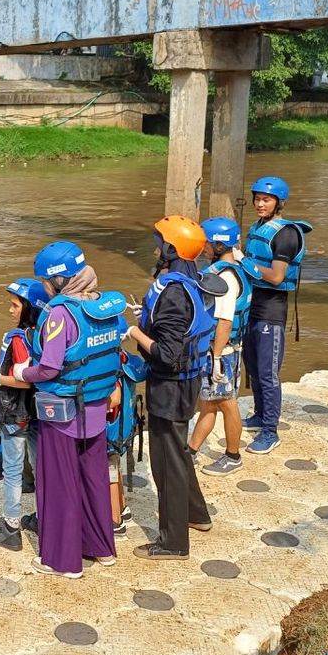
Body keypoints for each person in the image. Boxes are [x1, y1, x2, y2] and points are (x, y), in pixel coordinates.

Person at [11, 241, 122, 578]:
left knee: (58, 483)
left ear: (58, 281)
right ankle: (102, 548)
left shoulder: (60, 313)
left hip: (62, 413)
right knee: (94, 478)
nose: (44, 288)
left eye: (45, 282)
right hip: (96, 408)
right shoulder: (105, 305)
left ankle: (62, 561)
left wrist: (20, 373)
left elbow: (49, 368)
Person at [124, 216, 224, 560]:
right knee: (178, 453)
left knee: (167, 462)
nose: (154, 248)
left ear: (171, 250)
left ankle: (173, 542)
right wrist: (145, 317)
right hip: (185, 382)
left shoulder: (175, 294)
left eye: (159, 243)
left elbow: (167, 354)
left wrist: (135, 333)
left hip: (171, 386)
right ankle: (197, 515)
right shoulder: (187, 280)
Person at [239, 177, 314, 456]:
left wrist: (242, 261)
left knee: (268, 372)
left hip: (272, 309)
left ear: (279, 203)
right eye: (257, 199)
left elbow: (277, 276)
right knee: (253, 365)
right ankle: (259, 415)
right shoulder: (258, 227)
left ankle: (270, 431)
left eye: (266, 200)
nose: (260, 204)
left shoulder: (285, 234)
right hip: (252, 306)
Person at [0, 278, 49, 551]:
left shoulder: (17, 339)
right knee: (41, 468)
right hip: (39, 412)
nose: (10, 310)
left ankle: (10, 528)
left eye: (15, 305)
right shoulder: (46, 336)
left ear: (29, 308)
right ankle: (44, 520)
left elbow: (24, 379)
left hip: (16, 412)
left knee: (13, 470)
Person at [188, 216, 258, 476]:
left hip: (222, 352)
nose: (203, 248)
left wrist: (215, 357)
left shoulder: (225, 278)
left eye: (206, 244)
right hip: (222, 350)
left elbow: (225, 321)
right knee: (208, 403)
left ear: (218, 246)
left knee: (227, 402)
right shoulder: (236, 264)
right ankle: (191, 450)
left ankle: (233, 455)